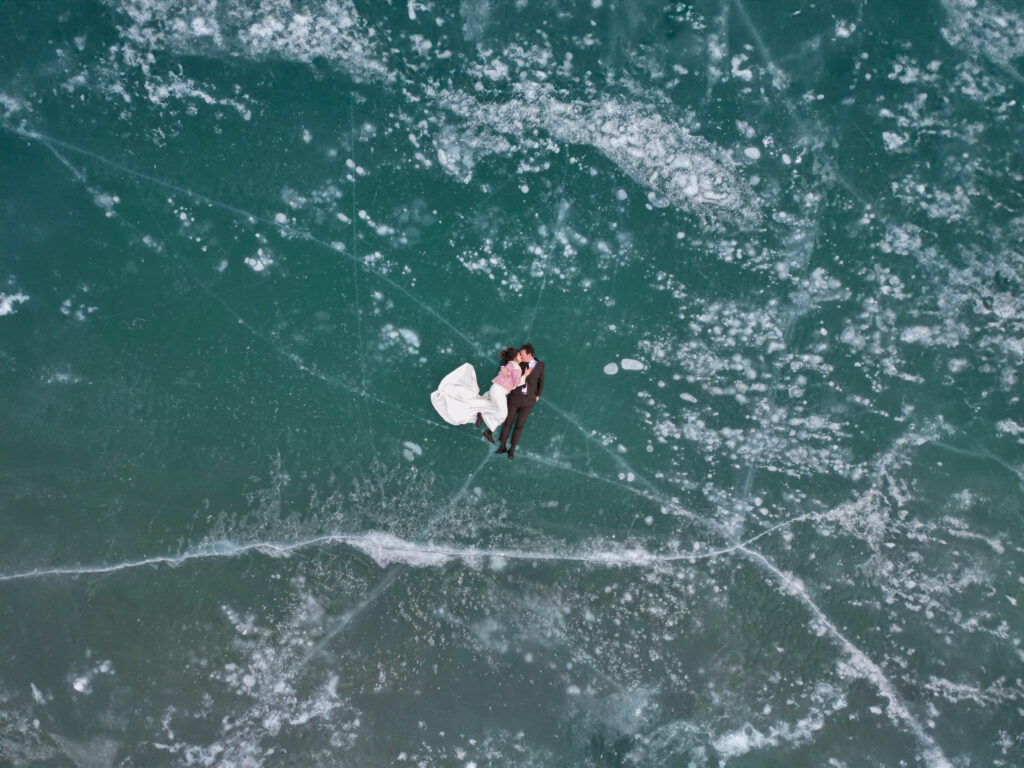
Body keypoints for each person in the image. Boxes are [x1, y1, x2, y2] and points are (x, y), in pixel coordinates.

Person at [430, 347, 535, 439]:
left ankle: (483, 421)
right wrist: (525, 375)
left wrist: (504, 368)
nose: (521, 356)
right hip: (499, 391)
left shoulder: (510, 364)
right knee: (502, 413)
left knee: (488, 405)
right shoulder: (516, 368)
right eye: (519, 355)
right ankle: (485, 424)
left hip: (496, 388)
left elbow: (506, 365)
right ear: (515, 358)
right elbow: (516, 383)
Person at [495, 343, 544, 460]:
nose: (520, 356)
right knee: (508, 422)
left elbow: (541, 382)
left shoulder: (540, 365)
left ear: (529, 355)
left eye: (522, 354)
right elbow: (505, 359)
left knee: (519, 425)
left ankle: (512, 449)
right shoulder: (518, 360)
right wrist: (503, 369)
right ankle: (502, 446)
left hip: (529, 401)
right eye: (520, 354)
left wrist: (538, 395)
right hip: (514, 397)